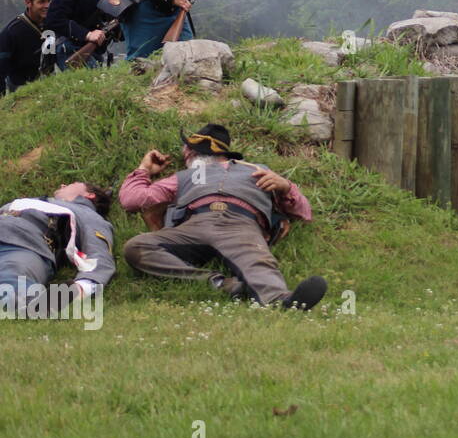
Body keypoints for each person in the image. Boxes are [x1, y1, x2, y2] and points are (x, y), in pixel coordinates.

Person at [118, 124, 327, 310]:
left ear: (189, 153)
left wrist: (285, 187)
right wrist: (144, 170)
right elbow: (132, 200)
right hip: (195, 225)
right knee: (137, 246)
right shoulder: (184, 177)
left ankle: (282, 300)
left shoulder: (260, 171)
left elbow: (304, 213)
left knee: (256, 261)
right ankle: (220, 283)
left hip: (241, 224)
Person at [0, 182, 116, 317]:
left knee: (12, 274)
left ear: (89, 195)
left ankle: (33, 305)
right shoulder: (35, 201)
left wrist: (83, 286)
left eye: (72, 183)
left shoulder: (88, 214)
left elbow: (99, 252)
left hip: (22, 244)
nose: (62, 185)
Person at [0, 0, 53, 95]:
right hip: (20, 89)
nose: (47, 6)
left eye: (49, 1)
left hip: (48, 85)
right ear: (28, 3)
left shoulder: (51, 25)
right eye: (41, 2)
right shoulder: (11, 32)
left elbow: (51, 58)